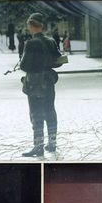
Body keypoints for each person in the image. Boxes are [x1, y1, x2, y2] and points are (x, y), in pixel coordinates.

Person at [20, 13, 62, 157]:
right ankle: (52, 143)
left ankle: (38, 147)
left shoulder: (30, 43)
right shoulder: (51, 41)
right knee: (50, 111)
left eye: (28, 26)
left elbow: (24, 66)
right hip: (49, 82)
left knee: (36, 114)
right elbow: (59, 61)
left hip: (35, 84)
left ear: (32, 26)